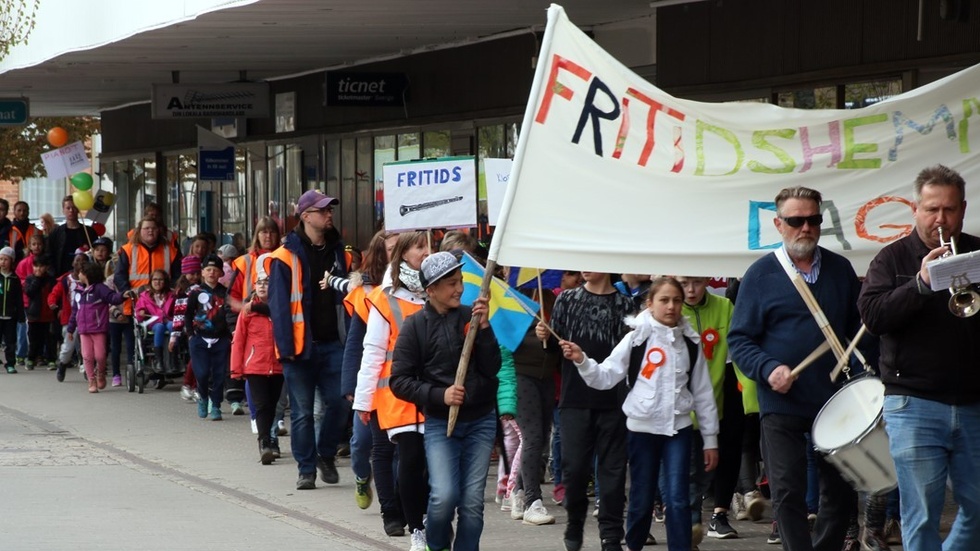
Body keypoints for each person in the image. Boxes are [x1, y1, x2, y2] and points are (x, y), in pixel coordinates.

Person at [728, 186, 871, 551]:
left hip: (835, 400)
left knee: (839, 492)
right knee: (788, 491)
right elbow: (740, 340)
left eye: (813, 220)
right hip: (782, 401)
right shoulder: (759, 275)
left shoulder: (840, 269)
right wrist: (768, 368)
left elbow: (857, 331)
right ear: (779, 224)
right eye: (796, 221)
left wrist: (860, 365)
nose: (806, 228)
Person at [858, 164, 980, 551]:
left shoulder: (978, 253)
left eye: (948, 210)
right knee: (922, 515)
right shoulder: (891, 259)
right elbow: (874, 317)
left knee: (978, 510)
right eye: (931, 209)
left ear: (962, 209)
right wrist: (922, 283)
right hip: (913, 404)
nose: (940, 219)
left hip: (974, 401)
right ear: (915, 209)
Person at [559, 277, 720, 551]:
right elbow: (606, 376)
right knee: (642, 497)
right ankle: (634, 544)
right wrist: (582, 360)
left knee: (678, 497)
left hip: (677, 430)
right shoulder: (635, 338)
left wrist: (710, 439)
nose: (671, 307)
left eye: (676, 301)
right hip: (641, 429)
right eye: (664, 300)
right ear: (650, 304)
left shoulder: (691, 343)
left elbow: (703, 394)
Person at [389, 251, 499, 551]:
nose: (460, 289)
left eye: (460, 281)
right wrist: (440, 395)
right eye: (451, 283)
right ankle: (436, 545)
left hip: (481, 420)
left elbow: (492, 368)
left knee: (472, 502)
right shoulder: (414, 328)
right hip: (440, 423)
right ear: (431, 289)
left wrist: (486, 330)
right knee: (443, 497)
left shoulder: (472, 318)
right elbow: (399, 381)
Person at [535, 271, 634, 551]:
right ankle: (575, 521)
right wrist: (546, 337)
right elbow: (553, 351)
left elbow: (631, 354)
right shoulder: (567, 299)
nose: (585, 268)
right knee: (575, 471)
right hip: (575, 399)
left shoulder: (626, 306)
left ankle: (611, 535)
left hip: (614, 402)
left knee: (613, 473)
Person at [266, 189, 350, 490]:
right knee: (301, 413)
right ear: (305, 216)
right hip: (299, 348)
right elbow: (278, 306)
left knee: (340, 404)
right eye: (323, 210)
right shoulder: (284, 256)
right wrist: (286, 348)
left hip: (334, 344)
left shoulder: (340, 251)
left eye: (330, 210)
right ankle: (306, 470)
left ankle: (325, 454)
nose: (329, 215)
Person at [353, 231, 430, 547]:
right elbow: (372, 351)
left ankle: (427, 517)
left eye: (428, 246)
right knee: (411, 461)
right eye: (419, 247)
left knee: (431, 466)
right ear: (402, 256)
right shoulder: (384, 298)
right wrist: (363, 400)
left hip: (433, 394)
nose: (426, 252)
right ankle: (417, 530)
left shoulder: (438, 293)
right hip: (396, 398)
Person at [675, 275, 743, 544]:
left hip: (724, 387)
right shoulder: (672, 307)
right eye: (684, 284)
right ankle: (689, 517)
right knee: (691, 462)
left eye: (697, 283)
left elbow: (736, 345)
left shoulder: (725, 305)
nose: (691, 290)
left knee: (729, 450)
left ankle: (720, 513)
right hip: (685, 395)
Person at [342, 230, 401, 527]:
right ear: (381, 253)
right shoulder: (367, 293)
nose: (398, 253)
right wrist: (351, 387)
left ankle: (394, 506)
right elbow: (356, 344)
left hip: (401, 389)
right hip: (371, 384)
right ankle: (362, 477)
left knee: (393, 450)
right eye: (392, 248)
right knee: (361, 442)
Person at [230, 274, 283, 464]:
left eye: (267, 282)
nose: (262, 286)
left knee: (274, 406)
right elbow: (239, 341)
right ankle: (265, 443)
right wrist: (236, 369)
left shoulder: (281, 307)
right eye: (259, 283)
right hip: (255, 366)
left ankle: (271, 439)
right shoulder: (247, 311)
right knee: (262, 406)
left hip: (278, 365)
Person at [173, 254, 232, 420]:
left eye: (216, 270)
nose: (212, 273)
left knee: (219, 375)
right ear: (202, 272)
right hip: (199, 339)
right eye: (208, 269)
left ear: (221, 273)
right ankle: (203, 397)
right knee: (203, 373)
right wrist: (191, 335)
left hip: (220, 340)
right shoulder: (195, 292)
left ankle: (216, 405)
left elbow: (230, 315)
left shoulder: (225, 292)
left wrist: (228, 336)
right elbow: (188, 314)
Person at [68, 261, 126, 393]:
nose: (79, 274)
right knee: (87, 356)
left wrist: (123, 295)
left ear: (88, 274)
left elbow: (113, 298)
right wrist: (71, 328)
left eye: (81, 272)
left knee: (100, 355)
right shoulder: (78, 291)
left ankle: (100, 373)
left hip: (98, 328)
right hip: (83, 330)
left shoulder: (100, 288)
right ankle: (91, 380)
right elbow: (74, 312)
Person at [49, 251, 88, 382]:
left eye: (83, 261)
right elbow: (54, 293)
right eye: (77, 260)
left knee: (86, 344)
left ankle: (87, 367)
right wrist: (52, 303)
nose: (80, 263)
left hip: (87, 318)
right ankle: (63, 363)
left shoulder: (90, 279)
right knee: (68, 345)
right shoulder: (66, 280)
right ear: (72, 263)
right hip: (70, 318)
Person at [15, 232, 46, 367]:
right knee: (26, 330)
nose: (37, 246)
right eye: (34, 244)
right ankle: (23, 354)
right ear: (30, 246)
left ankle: (40, 355)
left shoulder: (46, 262)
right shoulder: (24, 263)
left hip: (43, 301)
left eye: (39, 244)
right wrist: (28, 283)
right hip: (27, 300)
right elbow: (18, 278)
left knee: (42, 330)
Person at [134, 269, 175, 369]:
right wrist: (141, 313)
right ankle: (159, 360)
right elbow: (138, 314)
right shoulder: (144, 296)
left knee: (173, 325)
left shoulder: (172, 295)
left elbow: (177, 309)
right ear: (151, 281)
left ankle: (173, 359)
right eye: (155, 279)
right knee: (160, 327)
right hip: (154, 323)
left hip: (168, 320)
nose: (158, 282)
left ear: (165, 281)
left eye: (161, 279)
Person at [48, 196, 98, 277]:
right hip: (61, 274)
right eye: (68, 208)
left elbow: (95, 253)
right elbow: (50, 254)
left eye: (74, 207)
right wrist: (53, 273)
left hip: (84, 274)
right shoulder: (56, 232)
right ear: (63, 210)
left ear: (78, 209)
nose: (71, 210)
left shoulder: (88, 232)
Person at [24, 254, 58, 371]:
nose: (38, 269)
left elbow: (55, 295)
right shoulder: (30, 279)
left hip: (48, 315)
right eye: (36, 266)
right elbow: (29, 292)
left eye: (41, 266)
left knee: (50, 339)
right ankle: (30, 358)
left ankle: (51, 359)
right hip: (34, 314)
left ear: (46, 267)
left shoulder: (51, 279)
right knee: (33, 338)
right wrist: (37, 280)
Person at [0, 247, 24, 373]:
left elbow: (19, 298)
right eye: (1, 259)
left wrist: (21, 316)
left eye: (6, 259)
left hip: (10, 316)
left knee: (10, 342)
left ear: (12, 261)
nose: (3, 262)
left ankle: (10, 363)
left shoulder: (15, 279)